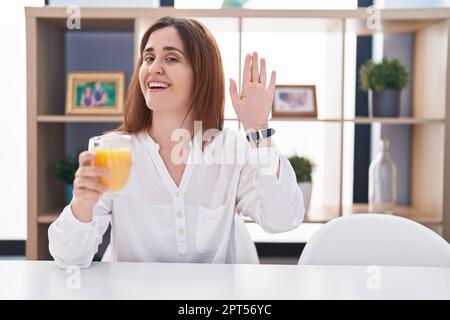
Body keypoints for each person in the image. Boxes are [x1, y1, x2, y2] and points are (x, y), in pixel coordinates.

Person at [48, 16, 305, 268]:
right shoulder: (114, 151)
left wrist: (258, 129)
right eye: (148, 58)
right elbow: (68, 258)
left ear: (201, 75)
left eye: (171, 58)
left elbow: (283, 219)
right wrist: (82, 206)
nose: (154, 68)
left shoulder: (231, 149)